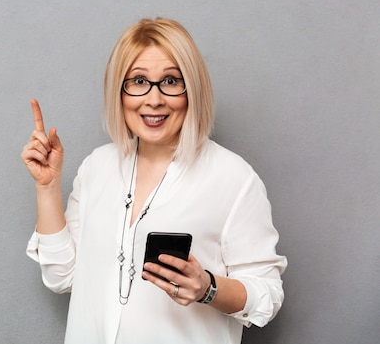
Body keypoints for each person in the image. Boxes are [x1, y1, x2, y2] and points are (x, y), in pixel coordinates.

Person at [21, 18, 287, 344]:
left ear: (192, 90)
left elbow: (268, 297)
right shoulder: (97, 167)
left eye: (171, 81)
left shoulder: (233, 178)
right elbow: (61, 276)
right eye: (138, 81)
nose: (154, 99)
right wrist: (47, 187)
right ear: (119, 92)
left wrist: (207, 288)